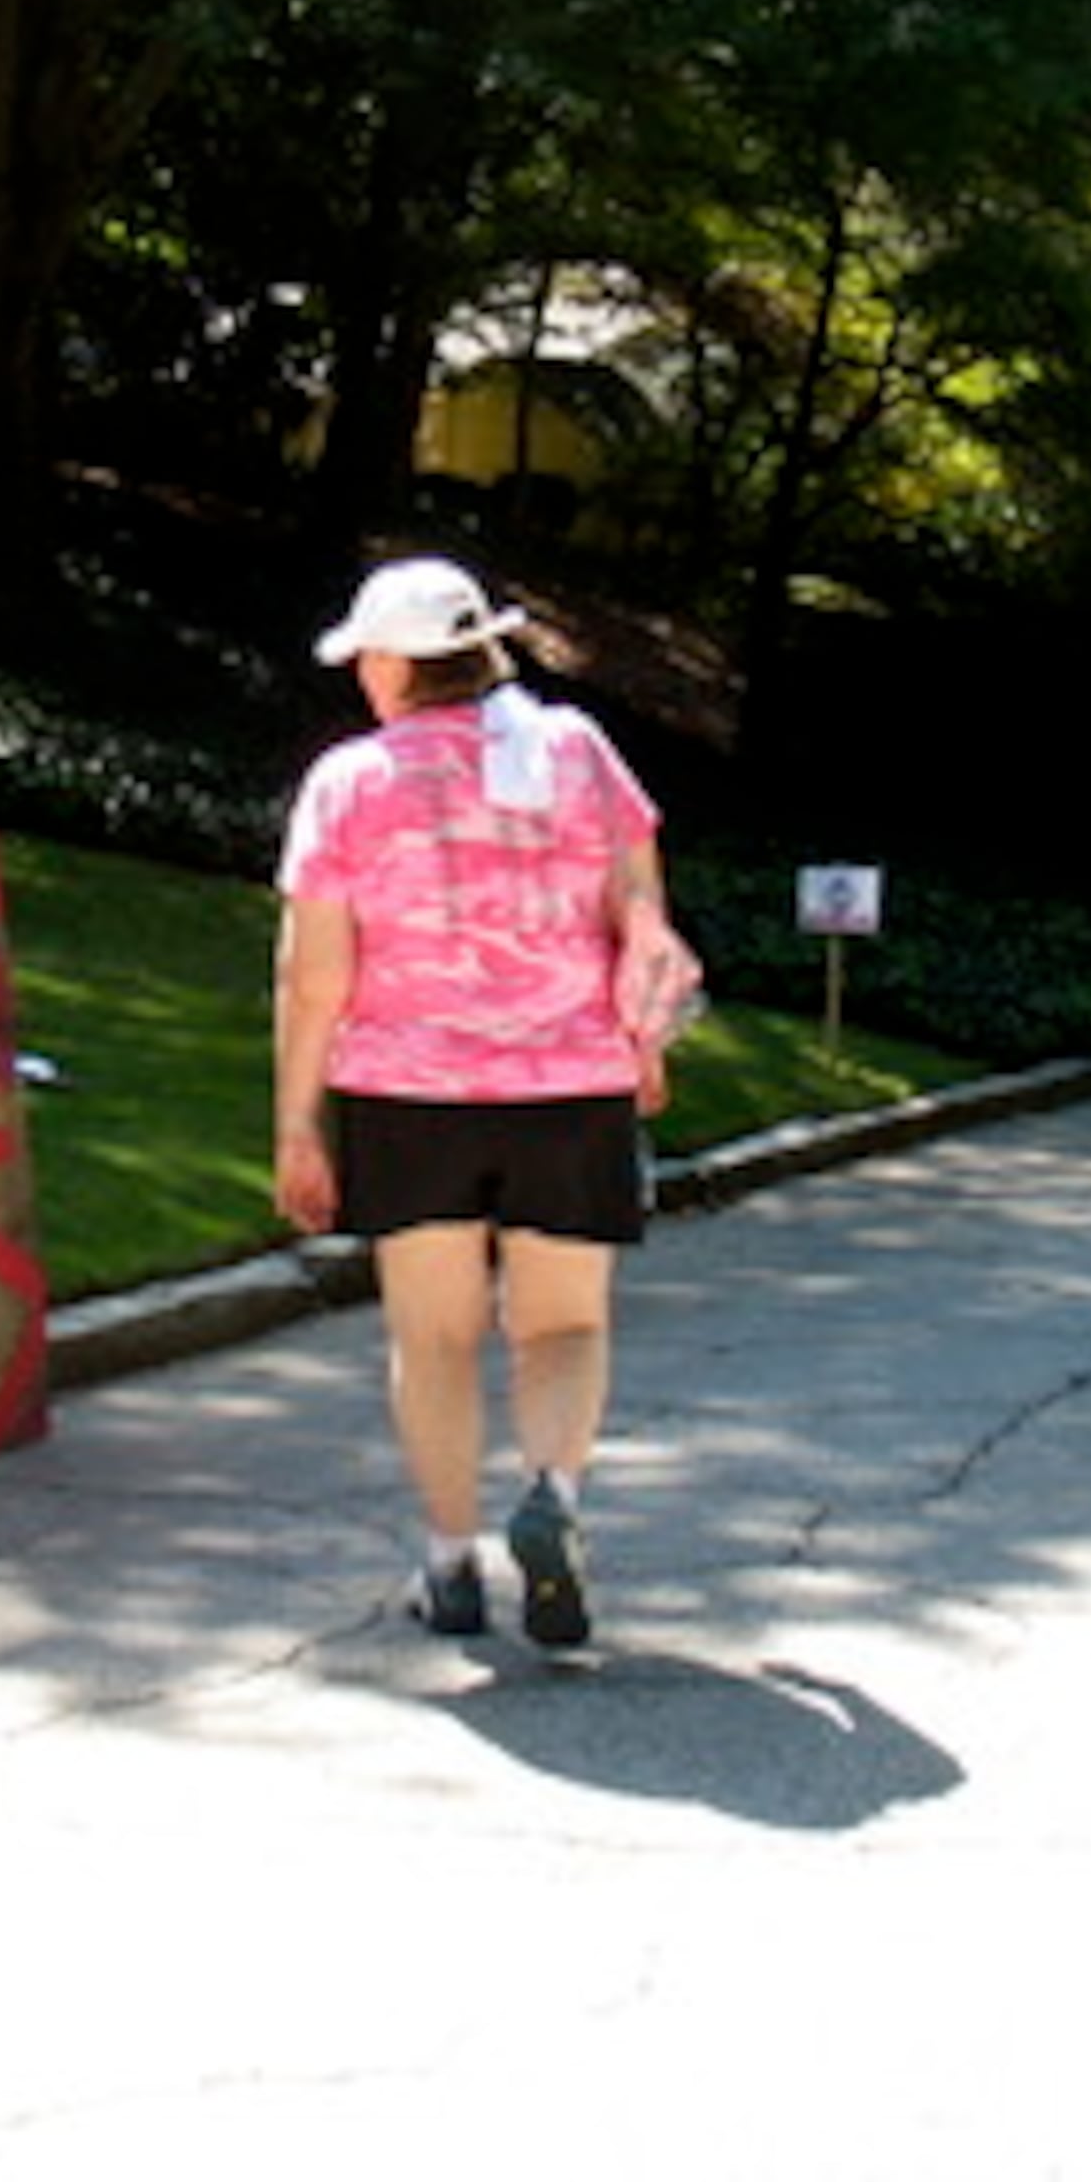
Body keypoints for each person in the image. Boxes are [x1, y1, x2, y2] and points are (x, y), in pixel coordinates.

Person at [273, 554, 701, 1649]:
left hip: (408, 1097)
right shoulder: (580, 751)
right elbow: (639, 911)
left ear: (390, 663)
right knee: (561, 1323)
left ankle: (450, 1562)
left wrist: (296, 1124)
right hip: (570, 1088)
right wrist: (645, 1036)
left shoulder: (349, 782)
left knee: (438, 1338)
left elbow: (314, 976)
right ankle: (553, 1499)